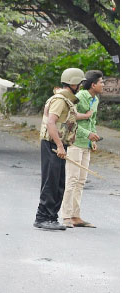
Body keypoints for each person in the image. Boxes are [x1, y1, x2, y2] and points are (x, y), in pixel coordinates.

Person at [34, 68, 86, 231]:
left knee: (58, 182)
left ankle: (51, 217)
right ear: (73, 84)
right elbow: (51, 122)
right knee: (51, 181)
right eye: (80, 84)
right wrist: (59, 145)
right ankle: (42, 217)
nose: (81, 87)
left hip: (57, 145)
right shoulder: (60, 100)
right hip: (52, 144)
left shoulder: (66, 99)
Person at [62, 70, 104, 228]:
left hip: (86, 144)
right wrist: (88, 134)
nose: (103, 85)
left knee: (81, 181)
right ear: (93, 85)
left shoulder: (96, 99)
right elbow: (69, 120)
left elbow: (92, 121)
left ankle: (75, 216)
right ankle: (66, 216)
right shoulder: (79, 97)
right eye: (101, 82)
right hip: (75, 142)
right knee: (72, 180)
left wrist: (94, 138)